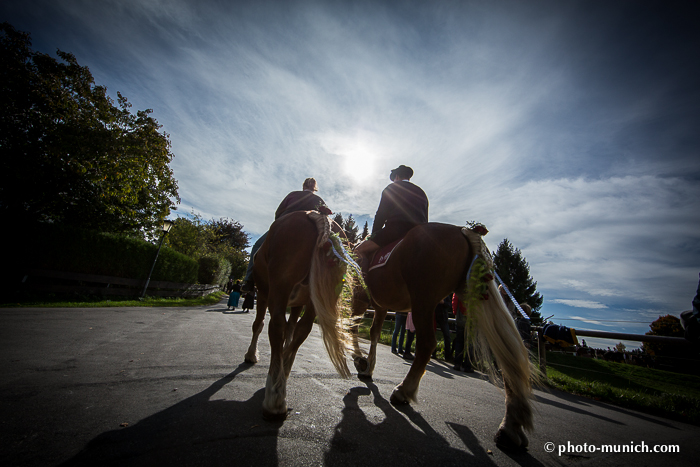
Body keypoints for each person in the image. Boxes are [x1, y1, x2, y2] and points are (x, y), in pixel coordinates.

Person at [241, 178, 330, 292]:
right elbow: (325, 219)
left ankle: (249, 280)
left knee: (257, 246)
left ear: (304, 186)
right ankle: (324, 283)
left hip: (284, 225)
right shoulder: (319, 200)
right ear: (315, 188)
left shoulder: (292, 195)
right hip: (311, 231)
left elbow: (278, 213)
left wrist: (279, 226)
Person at [354, 165, 429, 270]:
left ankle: (363, 281)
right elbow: (425, 218)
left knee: (358, 250)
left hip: (395, 231)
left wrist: (375, 234)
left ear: (397, 177)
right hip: (419, 232)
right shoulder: (422, 192)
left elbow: (381, 215)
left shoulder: (392, 187)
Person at [451, 293, 473, 372]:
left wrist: (455, 313)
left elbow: (455, 300)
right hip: (472, 319)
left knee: (459, 341)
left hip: (461, 317)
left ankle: (457, 363)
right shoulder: (476, 288)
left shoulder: (460, 287)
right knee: (470, 343)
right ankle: (467, 366)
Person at [433, 295, 453, 360]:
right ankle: (433, 353)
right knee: (433, 335)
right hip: (434, 317)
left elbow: (449, 304)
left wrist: (443, 302)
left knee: (447, 336)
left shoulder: (446, 294)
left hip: (443, 317)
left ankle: (447, 355)